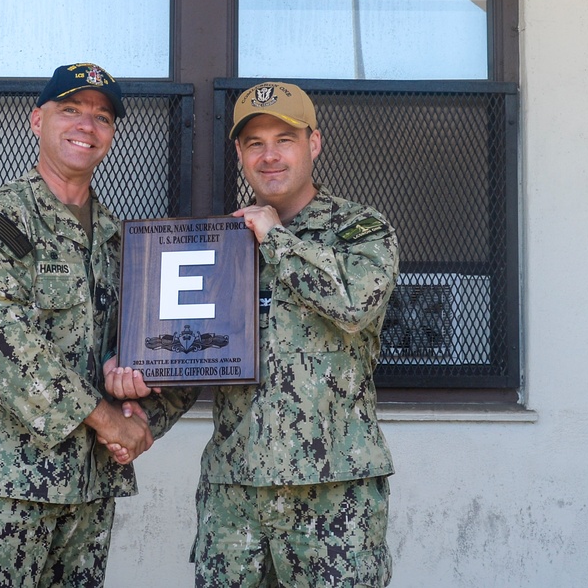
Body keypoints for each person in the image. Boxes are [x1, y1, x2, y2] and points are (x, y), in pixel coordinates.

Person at [106, 81, 399, 587]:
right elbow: (194, 357)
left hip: (332, 495)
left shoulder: (361, 231)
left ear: (314, 143)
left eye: (284, 139)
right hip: (234, 496)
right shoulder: (218, 245)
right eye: (255, 143)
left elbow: (354, 306)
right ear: (239, 152)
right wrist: (136, 403)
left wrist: (274, 237)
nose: (270, 156)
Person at [0, 62, 192, 588]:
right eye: (69, 110)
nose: (85, 126)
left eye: (101, 117)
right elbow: (0, 346)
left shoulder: (123, 243)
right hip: (1, 490)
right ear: (36, 120)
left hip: (89, 492)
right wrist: (109, 422)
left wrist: (139, 413)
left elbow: (156, 349)